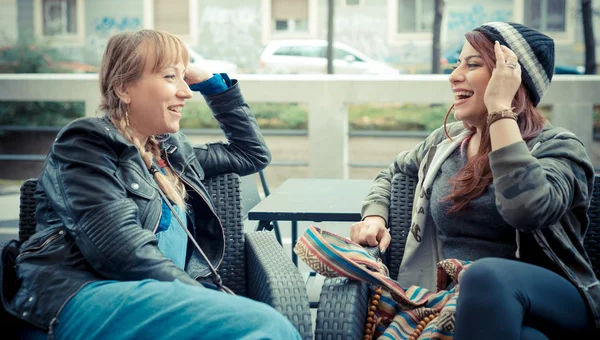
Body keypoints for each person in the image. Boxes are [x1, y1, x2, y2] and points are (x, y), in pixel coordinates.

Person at [1, 29, 301, 339]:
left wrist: (213, 86)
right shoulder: (87, 143)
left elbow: (250, 153)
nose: (186, 93)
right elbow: (121, 252)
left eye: (185, 79)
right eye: (170, 77)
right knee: (264, 326)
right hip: (82, 297)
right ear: (123, 88)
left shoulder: (171, 154)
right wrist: (208, 297)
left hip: (160, 301)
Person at [350, 22, 598, 339]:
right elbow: (395, 172)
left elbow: (526, 209)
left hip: (552, 300)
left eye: (473, 64)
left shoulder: (559, 148)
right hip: (466, 309)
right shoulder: (446, 144)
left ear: (509, 78)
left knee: (483, 275)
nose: (454, 76)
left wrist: (499, 109)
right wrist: (374, 214)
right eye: (457, 64)